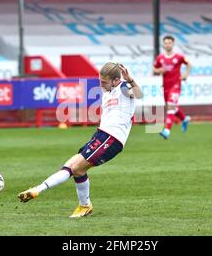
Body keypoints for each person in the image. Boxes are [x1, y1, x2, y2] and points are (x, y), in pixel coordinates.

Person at [17, 62, 143, 218]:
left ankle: (84, 206)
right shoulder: (107, 91)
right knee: (70, 165)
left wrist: (129, 79)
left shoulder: (123, 87)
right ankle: (37, 190)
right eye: (100, 80)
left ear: (116, 80)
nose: (101, 84)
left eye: (104, 82)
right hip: (101, 135)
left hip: (112, 139)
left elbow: (138, 94)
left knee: (77, 168)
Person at [153, 35, 192, 139]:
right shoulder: (160, 58)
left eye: (169, 43)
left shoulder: (179, 57)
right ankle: (184, 119)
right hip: (166, 87)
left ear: (173, 44)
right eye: (165, 43)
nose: (167, 45)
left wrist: (185, 75)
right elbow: (154, 69)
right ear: (163, 44)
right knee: (172, 107)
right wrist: (160, 70)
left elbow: (189, 64)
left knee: (170, 106)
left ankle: (167, 130)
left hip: (176, 86)